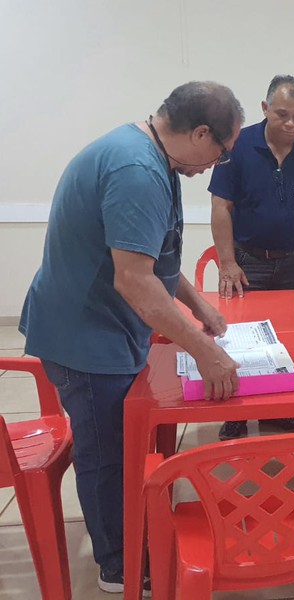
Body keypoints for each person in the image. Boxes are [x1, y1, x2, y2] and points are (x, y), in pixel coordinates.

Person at [19, 81, 244, 594]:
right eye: (222, 152)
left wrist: (199, 305)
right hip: (85, 337)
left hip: (102, 325)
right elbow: (135, 280)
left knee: (117, 444)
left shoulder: (151, 155)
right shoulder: (136, 171)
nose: (217, 164)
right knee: (105, 452)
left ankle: (126, 533)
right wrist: (204, 352)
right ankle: (118, 565)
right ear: (201, 133)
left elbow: (154, 256)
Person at [209, 74, 294, 440]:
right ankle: (237, 413)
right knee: (241, 341)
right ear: (265, 108)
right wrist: (227, 263)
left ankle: (281, 410)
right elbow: (221, 207)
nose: (291, 124)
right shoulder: (238, 147)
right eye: (282, 114)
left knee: (288, 341)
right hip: (246, 263)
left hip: (292, 263)